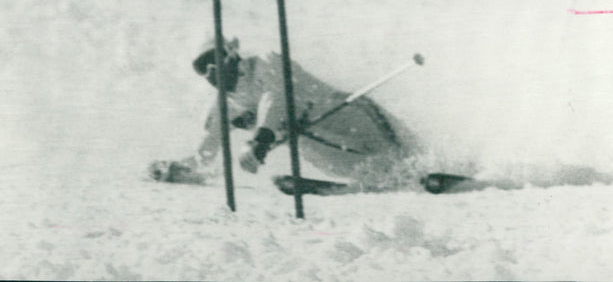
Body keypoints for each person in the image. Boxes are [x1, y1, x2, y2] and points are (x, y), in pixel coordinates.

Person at [148, 39, 422, 189]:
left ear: (230, 55)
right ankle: (379, 182)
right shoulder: (225, 104)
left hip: (350, 114)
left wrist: (260, 140)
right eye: (201, 68)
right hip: (314, 139)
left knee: (407, 155)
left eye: (213, 60)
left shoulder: (266, 63)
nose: (210, 71)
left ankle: (427, 172)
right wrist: (181, 168)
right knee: (311, 146)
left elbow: (276, 100)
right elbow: (206, 152)